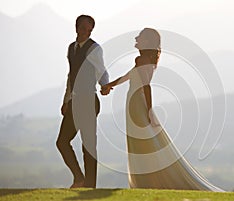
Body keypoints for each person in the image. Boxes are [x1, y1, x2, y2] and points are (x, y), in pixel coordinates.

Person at [101, 28, 223, 191]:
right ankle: (147, 180)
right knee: (143, 141)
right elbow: (128, 76)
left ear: (147, 42)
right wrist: (110, 85)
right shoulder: (144, 59)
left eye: (140, 37)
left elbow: (146, 85)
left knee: (142, 142)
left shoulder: (141, 59)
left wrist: (149, 109)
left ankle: (146, 181)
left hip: (137, 104)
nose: (136, 38)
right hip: (136, 102)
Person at [56, 15, 109, 188]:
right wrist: (66, 100)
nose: (86, 32)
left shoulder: (95, 49)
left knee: (88, 146)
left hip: (88, 101)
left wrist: (105, 85)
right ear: (76, 27)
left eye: (89, 30)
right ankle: (79, 178)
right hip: (74, 102)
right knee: (62, 142)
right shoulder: (71, 48)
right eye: (83, 28)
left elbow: (102, 72)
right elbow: (71, 77)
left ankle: (90, 186)